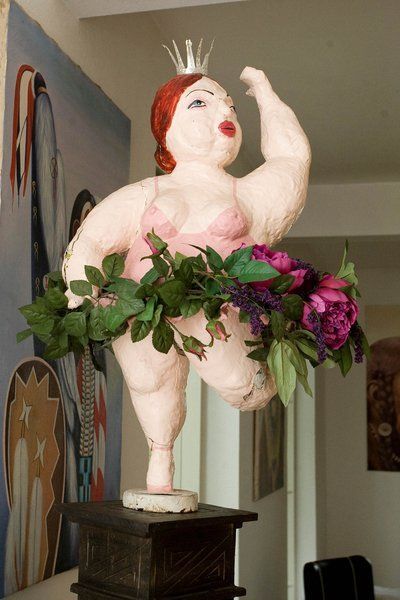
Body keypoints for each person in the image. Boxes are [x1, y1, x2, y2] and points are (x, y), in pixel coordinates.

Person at [62, 52, 311, 493]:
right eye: (201, 103)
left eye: (229, 105)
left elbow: (291, 161)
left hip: (213, 313)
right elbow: (93, 239)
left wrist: (263, 92)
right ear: (167, 126)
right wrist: (85, 290)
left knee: (242, 385)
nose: (225, 112)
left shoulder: (246, 195)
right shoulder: (147, 192)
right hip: (141, 310)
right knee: (150, 385)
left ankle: (253, 371)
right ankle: (161, 461)